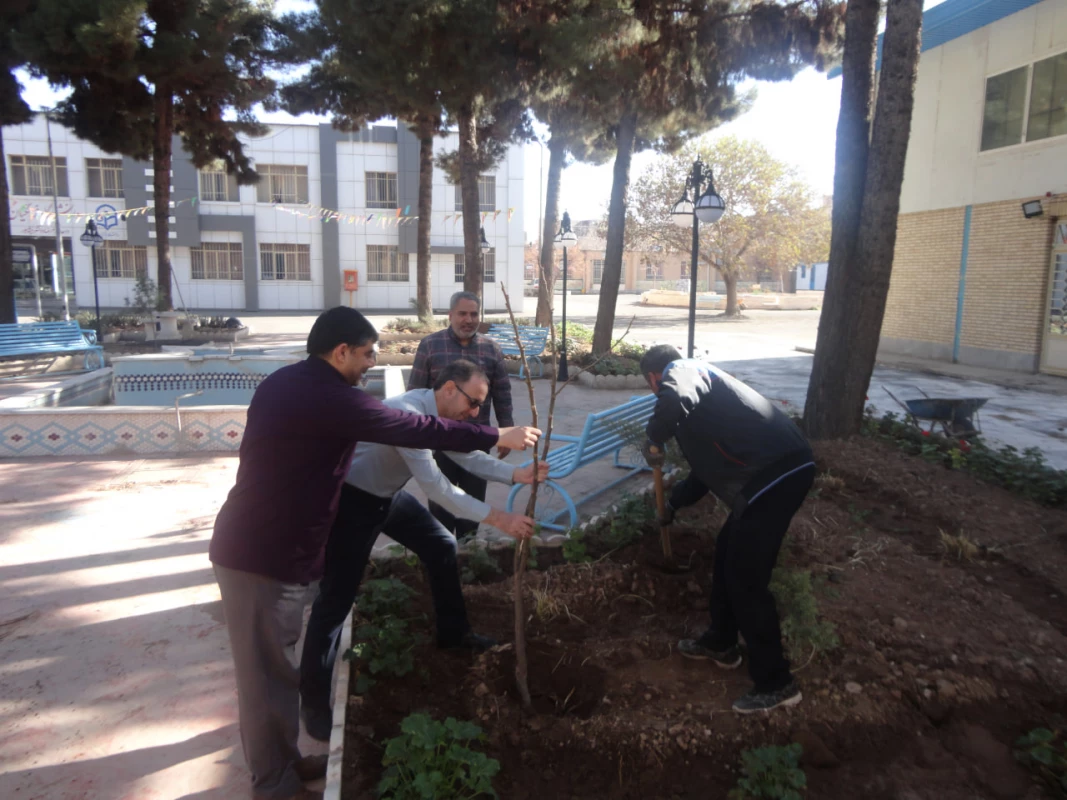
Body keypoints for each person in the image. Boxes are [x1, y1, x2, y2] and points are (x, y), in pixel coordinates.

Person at [209, 307, 540, 800]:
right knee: (268, 675)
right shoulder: (330, 397)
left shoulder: (295, 384)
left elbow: (441, 444)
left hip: (279, 541)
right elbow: (424, 438)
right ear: (340, 351)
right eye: (367, 355)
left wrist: (508, 468)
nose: (371, 364)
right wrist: (495, 434)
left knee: (278, 668)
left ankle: (286, 762)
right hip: (262, 552)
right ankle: (274, 782)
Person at [299, 359, 549, 741]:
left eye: (480, 406)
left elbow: (465, 454)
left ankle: (454, 633)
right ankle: (314, 704)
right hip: (354, 502)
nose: (475, 412)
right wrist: (499, 518)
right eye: (472, 402)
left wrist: (516, 474)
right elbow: (436, 487)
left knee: (440, 544)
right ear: (449, 388)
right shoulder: (407, 413)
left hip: (387, 495)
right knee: (335, 601)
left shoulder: (441, 415)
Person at [640, 344, 815, 714]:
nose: (657, 390)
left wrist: (653, 438)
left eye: (652, 386)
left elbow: (670, 404)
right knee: (727, 553)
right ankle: (721, 642)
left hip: (775, 475)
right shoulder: (702, 400)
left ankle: (777, 683)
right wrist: (672, 504)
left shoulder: (682, 370)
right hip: (773, 475)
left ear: (654, 378)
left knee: (746, 579)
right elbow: (704, 473)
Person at [408, 291, 514, 538]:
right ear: (450, 315)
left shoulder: (491, 349)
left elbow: (502, 391)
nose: (468, 319)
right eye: (462, 313)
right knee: (441, 502)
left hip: (476, 441)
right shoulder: (430, 345)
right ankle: (443, 548)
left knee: (473, 502)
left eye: (474, 314)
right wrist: (417, 435)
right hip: (438, 441)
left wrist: (506, 429)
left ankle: (468, 550)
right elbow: (415, 390)